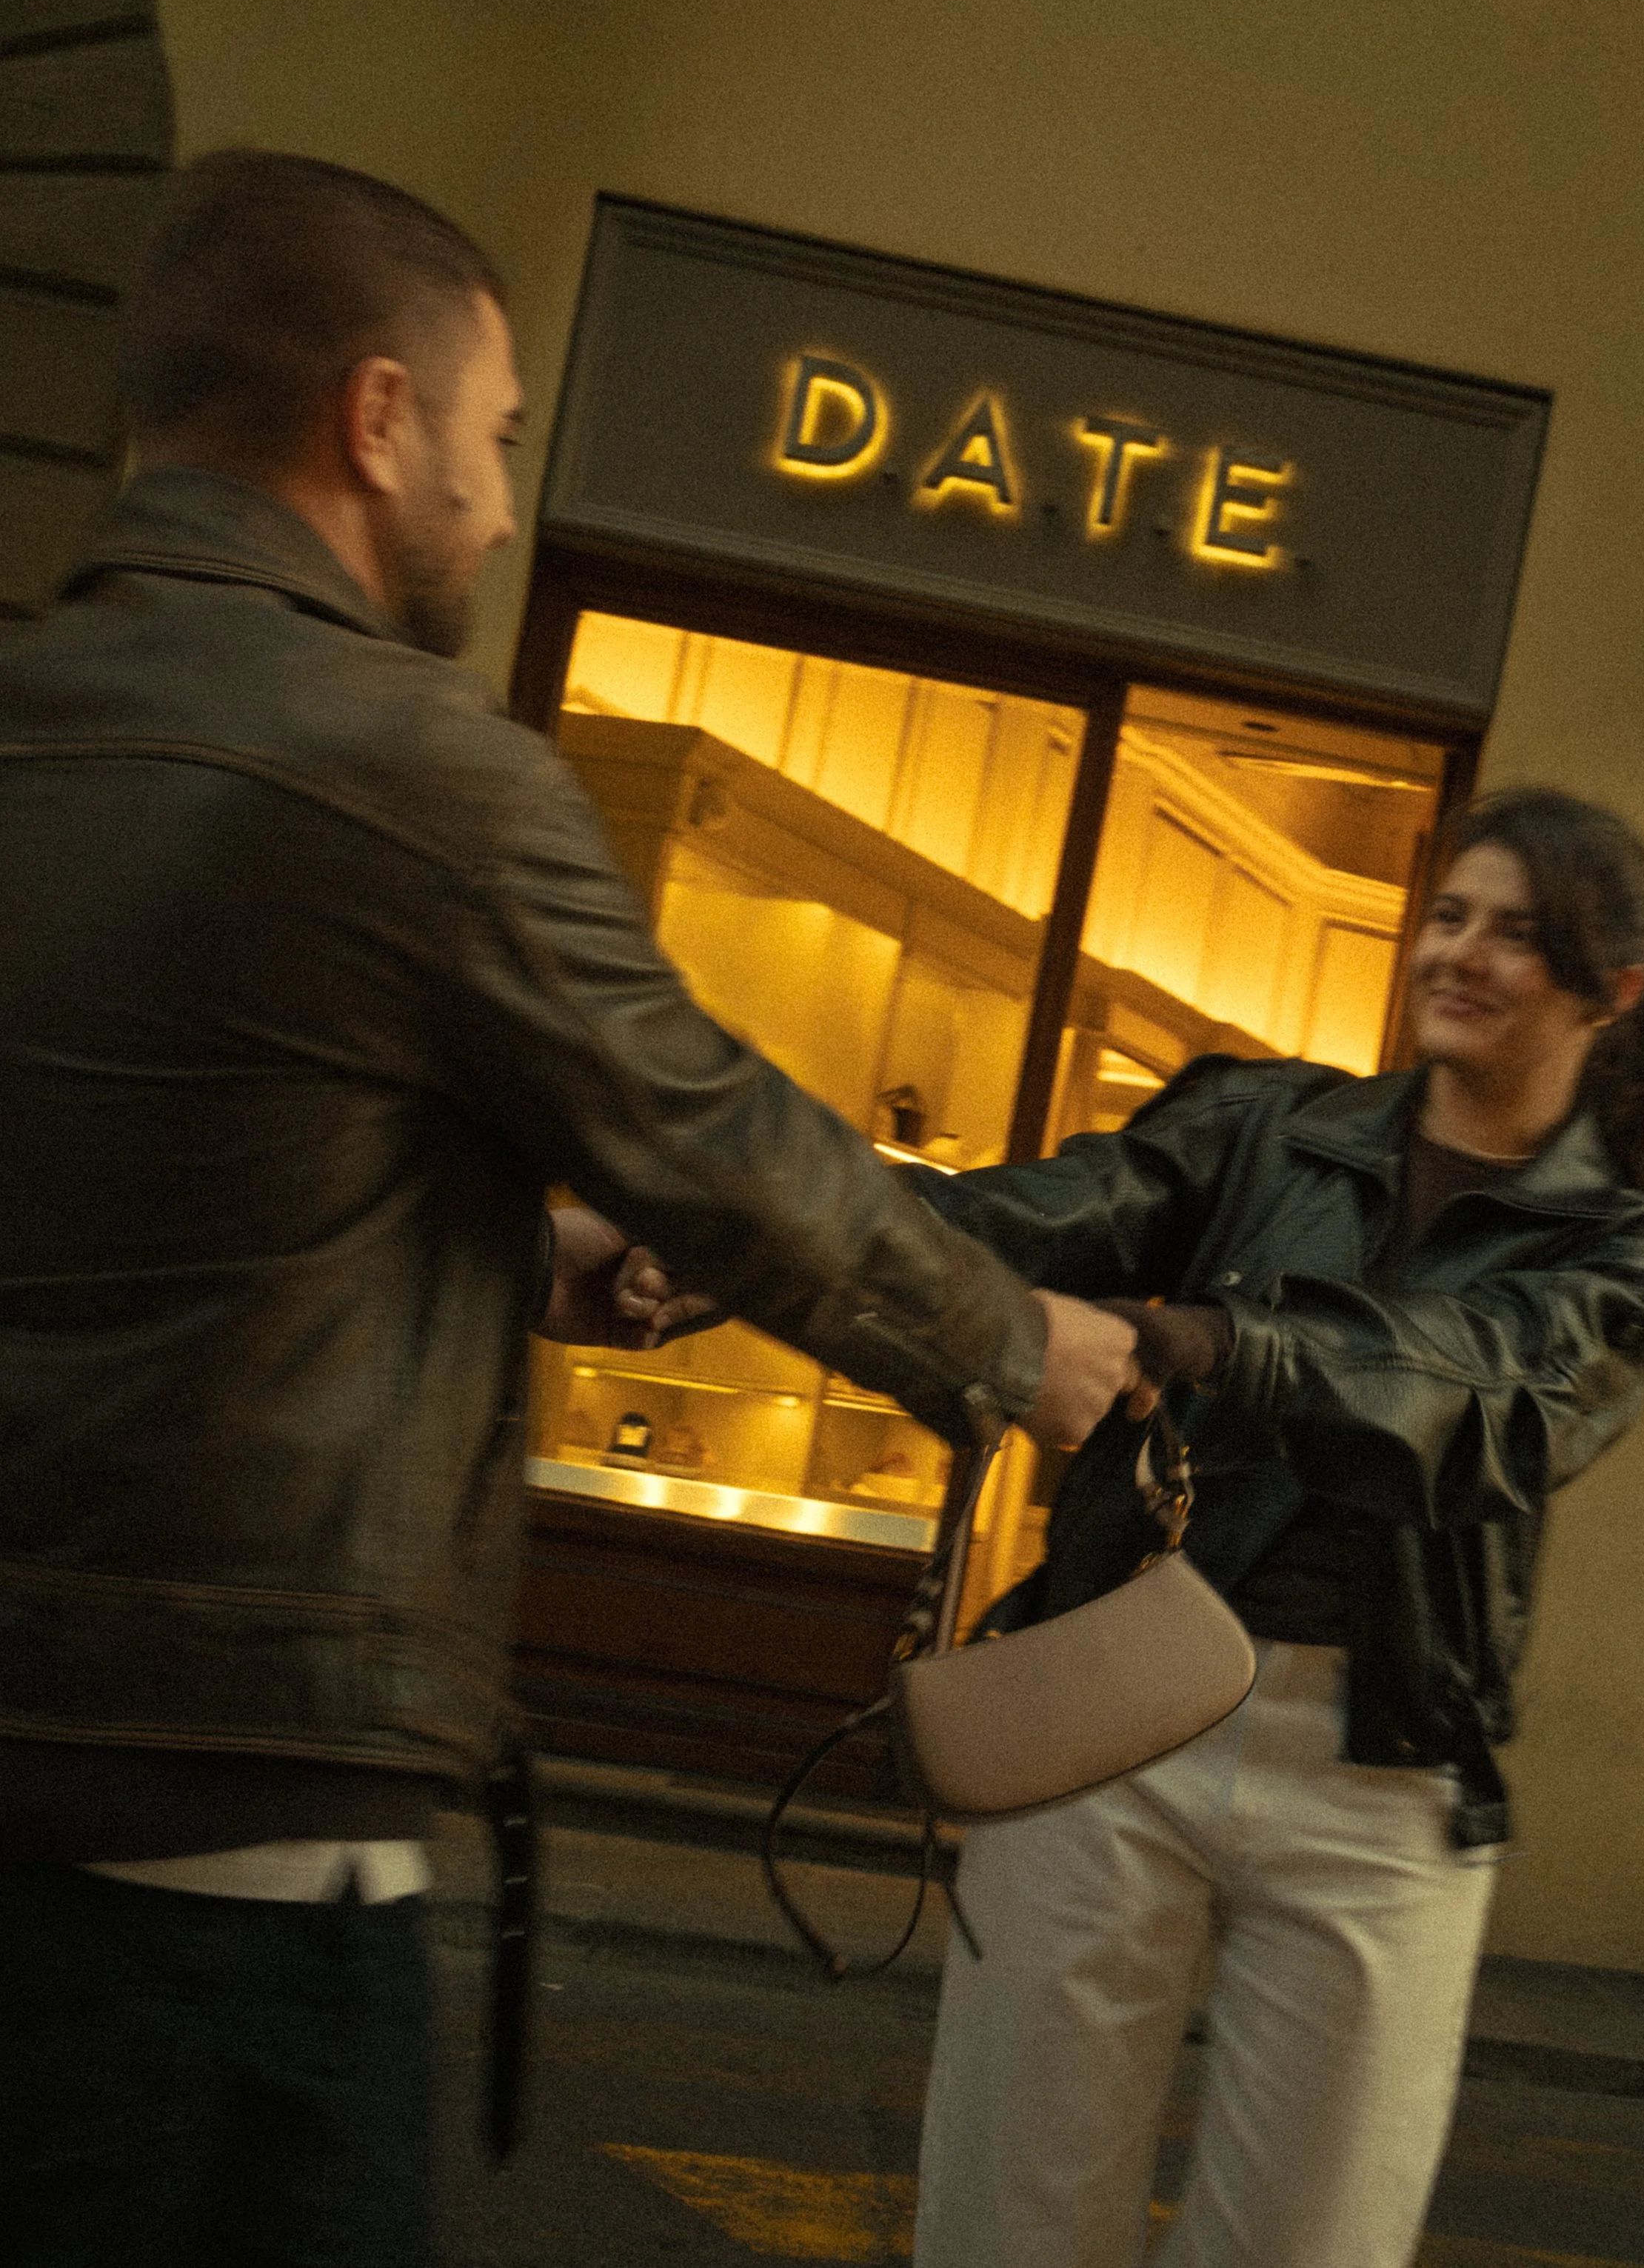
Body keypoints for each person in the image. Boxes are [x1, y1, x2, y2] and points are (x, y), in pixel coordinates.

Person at [0, 150, 1138, 2268]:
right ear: (375, 420)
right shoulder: (412, 763)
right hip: (234, 1834)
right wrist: (1021, 1340)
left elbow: (172, 1171)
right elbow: (710, 1135)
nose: (505, 503)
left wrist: (516, 1255)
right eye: (498, 435)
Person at [900, 787, 1644, 2268]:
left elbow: (1475, 1392)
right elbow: (1013, 1220)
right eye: (1449, 915)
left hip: (1384, 1774)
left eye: (1517, 933)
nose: (1461, 953)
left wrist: (1199, 1343)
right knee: (1005, 2220)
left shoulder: (1621, 1254)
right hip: (1112, 1708)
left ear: (1609, 991)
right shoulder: (1256, 1125)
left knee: (1313, 2241)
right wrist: (727, 1242)